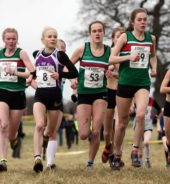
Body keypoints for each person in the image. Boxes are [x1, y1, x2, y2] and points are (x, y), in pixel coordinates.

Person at [109, 8, 157, 170]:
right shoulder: (125, 37)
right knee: (122, 123)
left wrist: (154, 67)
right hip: (125, 83)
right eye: (140, 20)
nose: (143, 22)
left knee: (141, 114)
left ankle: (135, 150)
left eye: (145, 19)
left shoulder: (151, 38)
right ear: (132, 22)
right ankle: (116, 155)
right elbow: (111, 58)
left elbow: (153, 55)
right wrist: (128, 56)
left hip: (142, 82)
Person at [0, 28, 35, 172]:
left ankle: (14, 140)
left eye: (13, 39)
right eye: (8, 39)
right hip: (2, 93)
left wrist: (17, 73)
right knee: (2, 126)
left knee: (12, 133)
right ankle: (3, 161)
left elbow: (32, 72)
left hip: (18, 95)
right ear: (4, 40)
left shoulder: (22, 53)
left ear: (17, 39)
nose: (11, 41)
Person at [31, 27, 78, 173]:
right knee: (39, 125)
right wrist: (29, 77)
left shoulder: (61, 56)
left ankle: (50, 161)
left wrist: (60, 75)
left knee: (51, 131)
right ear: (43, 39)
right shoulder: (36, 54)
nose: (52, 38)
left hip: (55, 98)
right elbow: (35, 72)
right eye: (50, 36)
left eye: (55, 36)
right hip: (40, 96)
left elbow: (74, 72)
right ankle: (38, 158)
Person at [70, 20, 111, 168]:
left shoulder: (109, 51)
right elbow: (69, 67)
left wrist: (113, 73)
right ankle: (81, 122)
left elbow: (120, 72)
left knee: (96, 131)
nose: (97, 33)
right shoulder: (82, 50)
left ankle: (90, 163)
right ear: (90, 34)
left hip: (101, 93)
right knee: (83, 135)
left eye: (100, 30)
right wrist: (73, 79)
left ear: (104, 33)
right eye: (94, 31)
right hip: (84, 94)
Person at [101, 27, 124, 164]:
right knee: (107, 129)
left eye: (122, 35)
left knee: (119, 125)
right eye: (118, 36)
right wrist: (107, 70)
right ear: (113, 39)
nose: (120, 38)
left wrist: (115, 73)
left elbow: (129, 76)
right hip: (108, 91)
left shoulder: (127, 54)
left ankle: (116, 155)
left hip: (122, 92)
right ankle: (108, 146)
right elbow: (102, 68)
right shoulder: (107, 53)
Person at [132, 97, 161, 168]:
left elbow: (159, 110)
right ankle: (139, 162)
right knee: (139, 145)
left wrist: (156, 117)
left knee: (146, 142)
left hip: (148, 124)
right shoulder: (136, 99)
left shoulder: (151, 100)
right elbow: (131, 111)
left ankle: (147, 159)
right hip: (138, 124)